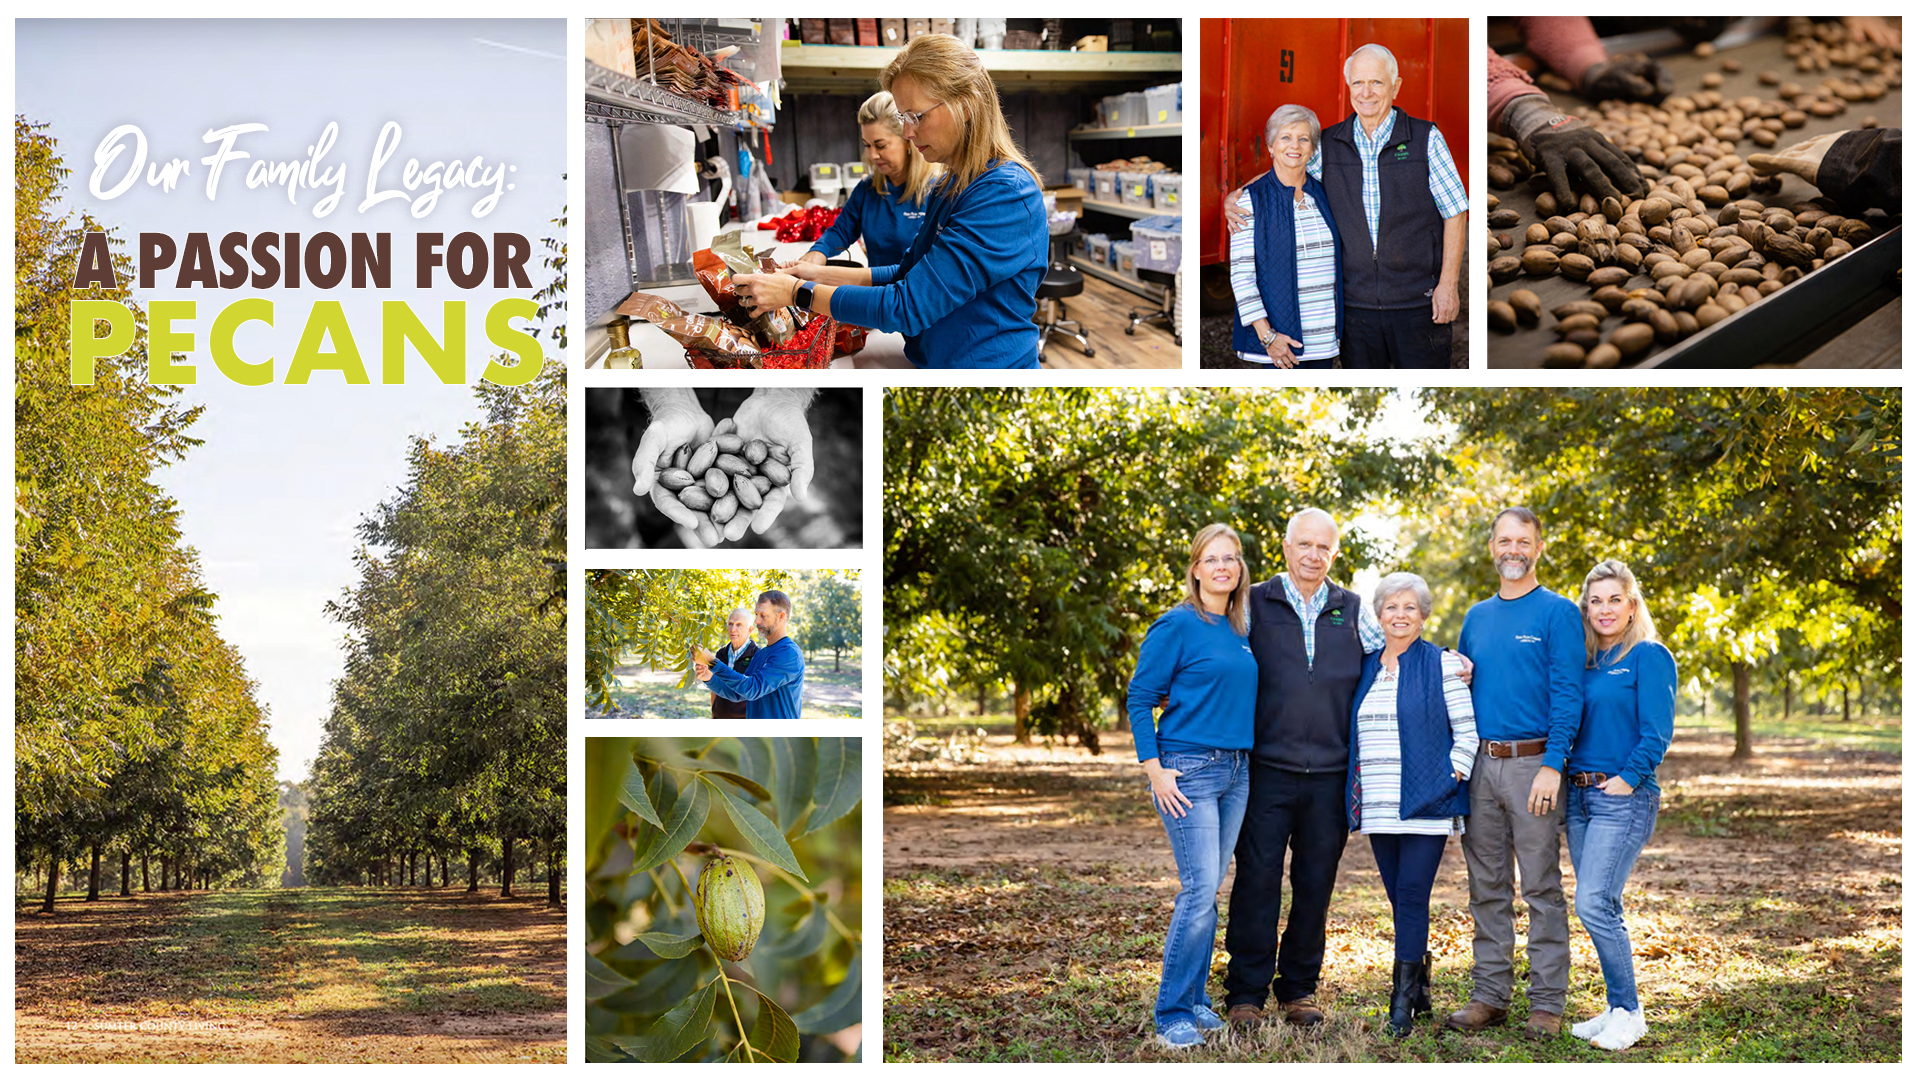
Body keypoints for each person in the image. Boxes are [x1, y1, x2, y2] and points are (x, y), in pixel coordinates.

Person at [734, 33, 1048, 369]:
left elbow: (908, 306)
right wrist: (815, 274)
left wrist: (797, 292)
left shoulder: (1005, 194)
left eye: (917, 117)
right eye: (904, 119)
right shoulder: (952, 184)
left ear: (967, 105)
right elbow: (906, 272)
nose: (909, 133)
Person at [1223, 509, 1384, 1028]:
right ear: (1286, 547)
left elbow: (1395, 656)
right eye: (1304, 545)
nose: (1313, 556)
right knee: (1257, 880)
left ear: (1334, 555)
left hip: (1332, 775)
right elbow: (1217, 657)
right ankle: (1245, 991)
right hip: (1267, 769)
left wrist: (1450, 661)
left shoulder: (1354, 609)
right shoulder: (1252, 604)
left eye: (1324, 548)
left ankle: (1298, 989)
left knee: (1316, 883)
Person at [1226, 44, 1469, 368]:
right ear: (1349, 87)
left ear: (1395, 87)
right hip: (1355, 310)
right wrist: (1240, 194)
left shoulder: (1426, 138)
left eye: (1377, 83)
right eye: (1358, 83)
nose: (1366, 92)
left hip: (1417, 303)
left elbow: (1455, 211)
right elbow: (1287, 168)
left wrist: (1448, 285)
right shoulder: (1329, 143)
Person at [1448, 507, 1585, 1038]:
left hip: (1535, 766)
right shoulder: (1476, 616)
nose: (1512, 549)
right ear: (1492, 548)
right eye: (1504, 540)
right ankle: (1490, 995)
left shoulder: (1558, 613)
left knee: (1542, 888)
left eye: (1522, 541)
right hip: (1482, 764)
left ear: (1538, 548)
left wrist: (1554, 764)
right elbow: (1467, 685)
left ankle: (1547, 1004)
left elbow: (1569, 694)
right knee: (1486, 886)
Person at [1126, 524, 1260, 1050]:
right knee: (1199, 890)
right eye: (1212, 559)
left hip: (1236, 771)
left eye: (1231, 558)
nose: (1223, 567)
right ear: (1197, 568)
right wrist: (1153, 768)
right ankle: (1172, 1012)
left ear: (1239, 569)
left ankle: (1198, 1000)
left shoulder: (1238, 628)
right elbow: (1140, 698)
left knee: (1210, 892)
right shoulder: (1177, 624)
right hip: (1189, 770)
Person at [1345, 573, 1476, 1038]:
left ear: (1423, 615)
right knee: (1398, 896)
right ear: (1378, 616)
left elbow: (1467, 734)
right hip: (1379, 801)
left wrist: (1450, 777)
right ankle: (1420, 988)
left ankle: (1400, 1001)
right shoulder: (1365, 667)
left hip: (1427, 801)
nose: (1399, 616)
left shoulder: (1442, 664)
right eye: (1390, 608)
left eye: (1409, 608)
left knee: (1412, 895)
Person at [1565, 560, 1675, 1052]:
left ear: (1632, 606)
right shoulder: (1584, 661)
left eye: (1615, 599)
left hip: (1622, 798)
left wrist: (1627, 781)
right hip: (1578, 797)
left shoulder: (1649, 656)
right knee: (1602, 903)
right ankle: (1614, 1006)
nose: (1604, 609)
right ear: (1585, 608)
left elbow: (1657, 732)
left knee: (1592, 902)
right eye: (1595, 600)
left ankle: (1629, 1012)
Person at [1228, 104, 1343, 370]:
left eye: (1304, 139)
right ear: (1270, 146)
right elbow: (1241, 275)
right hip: (1280, 344)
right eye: (1286, 137)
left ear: (1313, 149)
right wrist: (1268, 337)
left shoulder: (1325, 195)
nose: (1295, 145)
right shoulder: (1250, 200)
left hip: (1324, 341)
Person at [628, 388, 817, 547]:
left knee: (666, 501)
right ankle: (651, 541)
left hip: (750, 415)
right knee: (652, 499)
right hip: (667, 420)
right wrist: (669, 403)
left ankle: (653, 537)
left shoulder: (741, 458)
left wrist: (784, 394)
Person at [795, 90, 935, 272]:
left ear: (908, 140)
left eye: (880, 145)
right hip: (876, 296)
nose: (872, 155)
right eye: (867, 145)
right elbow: (842, 230)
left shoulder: (936, 192)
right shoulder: (867, 189)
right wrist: (817, 254)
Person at [694, 590, 805, 719]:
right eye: (756, 614)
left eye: (763, 615)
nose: (757, 621)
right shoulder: (761, 655)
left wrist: (712, 661)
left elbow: (752, 689)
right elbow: (737, 693)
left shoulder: (789, 654)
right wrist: (709, 677)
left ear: (781, 617)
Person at [709, 608, 759, 720]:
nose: (733, 629)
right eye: (730, 624)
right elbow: (714, 687)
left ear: (750, 629)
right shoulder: (720, 654)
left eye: (739, 625)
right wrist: (713, 715)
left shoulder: (758, 655)